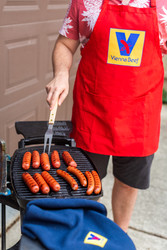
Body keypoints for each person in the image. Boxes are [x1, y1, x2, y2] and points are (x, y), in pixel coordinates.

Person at [46, 0, 167, 233]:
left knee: (129, 182)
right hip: (93, 110)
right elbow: (65, 43)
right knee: (85, 181)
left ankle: (118, 235)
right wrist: (61, 74)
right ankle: (89, 233)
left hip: (141, 114)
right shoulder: (86, 2)